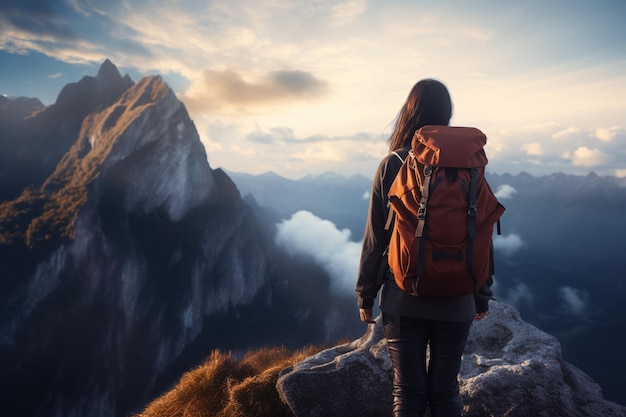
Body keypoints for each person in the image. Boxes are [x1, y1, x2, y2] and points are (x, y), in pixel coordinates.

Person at [355, 78, 492, 417]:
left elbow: (376, 238)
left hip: (404, 295)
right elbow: (482, 230)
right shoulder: (470, 169)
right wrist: (480, 293)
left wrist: (366, 295)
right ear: (447, 115)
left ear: (408, 111)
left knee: (408, 391)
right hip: (458, 296)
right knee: (446, 392)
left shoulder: (393, 164)